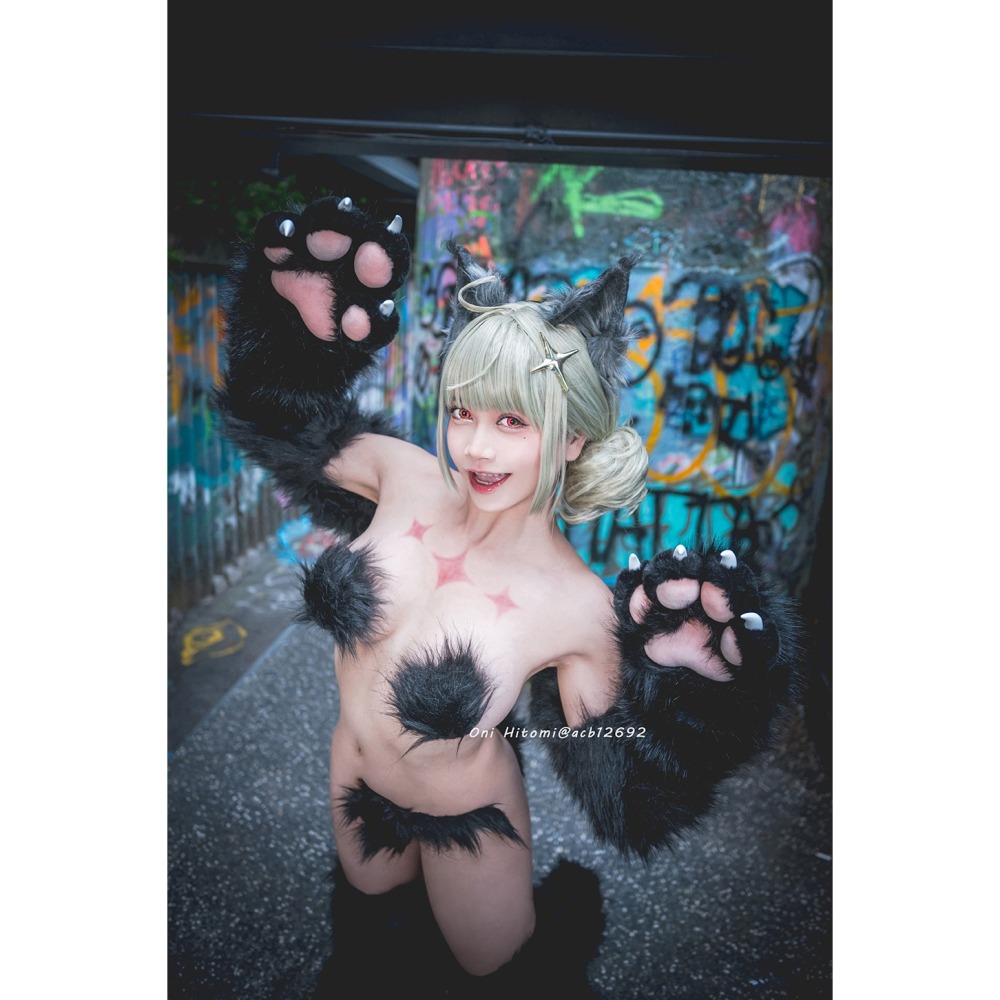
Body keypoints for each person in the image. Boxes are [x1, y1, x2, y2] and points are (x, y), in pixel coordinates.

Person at [215, 195, 802, 998]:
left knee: (498, 982)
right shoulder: (401, 474)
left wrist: (693, 703)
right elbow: (279, 424)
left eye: (513, 422)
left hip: (467, 821)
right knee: (366, 952)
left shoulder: (578, 606)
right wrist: (294, 343)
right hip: (351, 772)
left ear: (571, 437)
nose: (476, 447)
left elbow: (628, 793)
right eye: (462, 411)